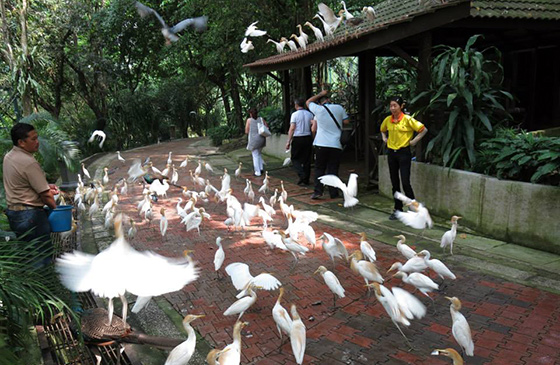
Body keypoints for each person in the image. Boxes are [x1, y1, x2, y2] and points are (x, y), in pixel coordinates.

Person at [3, 123, 58, 264]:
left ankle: (34, 285)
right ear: (21, 142)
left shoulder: (9, 157)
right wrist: (57, 210)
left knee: (29, 255)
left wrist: (45, 186)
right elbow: (46, 196)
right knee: (42, 257)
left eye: (37, 138)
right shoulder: (29, 162)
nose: (37, 142)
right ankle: (47, 285)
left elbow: (21, 184)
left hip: (15, 215)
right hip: (31, 217)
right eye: (33, 139)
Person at [380, 96, 428, 220]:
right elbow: (382, 130)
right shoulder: (387, 120)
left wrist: (414, 141)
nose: (392, 108)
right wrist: (384, 138)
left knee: (406, 182)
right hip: (392, 153)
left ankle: (415, 210)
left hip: (404, 153)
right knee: (394, 183)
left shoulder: (407, 119)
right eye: (391, 106)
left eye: (395, 105)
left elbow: (423, 130)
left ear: (401, 106)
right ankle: (397, 209)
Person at [306, 89, 350, 200]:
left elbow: (308, 102)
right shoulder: (339, 108)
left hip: (321, 144)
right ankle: (333, 193)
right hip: (335, 144)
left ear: (320, 102)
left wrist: (320, 93)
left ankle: (318, 192)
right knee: (333, 169)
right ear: (329, 100)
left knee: (319, 168)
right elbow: (346, 122)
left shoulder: (318, 109)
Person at [285, 98, 314, 186]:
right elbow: (312, 128)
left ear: (296, 105)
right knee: (307, 159)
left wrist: (288, 141)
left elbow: (292, 128)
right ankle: (306, 179)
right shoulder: (310, 114)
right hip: (308, 137)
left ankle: (302, 175)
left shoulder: (294, 115)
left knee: (295, 158)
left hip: (298, 138)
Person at [245, 108, 267, 176]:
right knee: (259, 154)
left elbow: (246, 131)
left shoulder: (249, 120)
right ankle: (261, 168)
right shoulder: (261, 119)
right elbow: (266, 127)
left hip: (253, 140)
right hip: (261, 139)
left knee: (255, 155)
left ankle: (257, 172)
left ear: (251, 114)